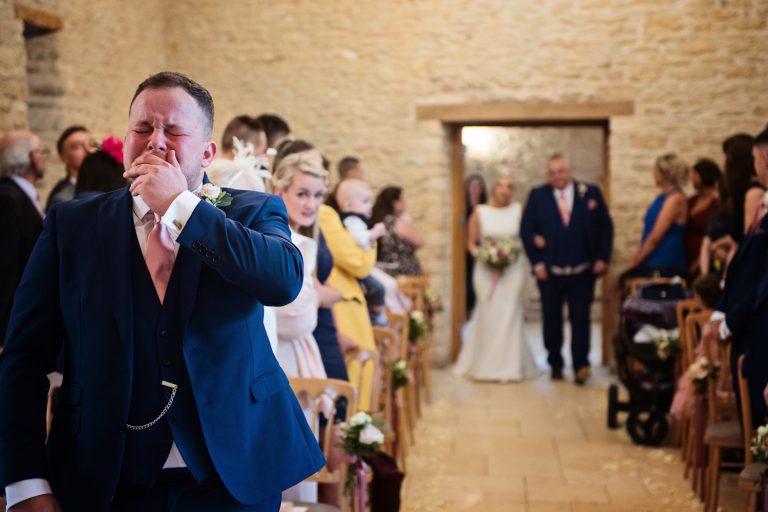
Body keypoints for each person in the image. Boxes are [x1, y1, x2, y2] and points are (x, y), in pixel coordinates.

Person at [0, 71, 323, 511]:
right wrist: (25, 480)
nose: (155, 141)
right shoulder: (70, 225)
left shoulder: (252, 211)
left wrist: (181, 207)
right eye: (142, 128)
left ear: (207, 151)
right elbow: (25, 355)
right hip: (105, 476)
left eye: (172, 130)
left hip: (230, 477)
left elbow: (282, 281)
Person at [520, 153, 613, 384]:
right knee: (551, 321)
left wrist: (602, 257)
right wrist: (537, 263)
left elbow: (606, 227)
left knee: (580, 318)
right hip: (550, 273)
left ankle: (581, 364)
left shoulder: (589, 193)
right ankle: (556, 363)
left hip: (582, 271)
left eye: (560, 171)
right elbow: (526, 230)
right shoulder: (538, 195)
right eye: (552, 173)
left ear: (569, 171)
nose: (556, 176)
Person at [454, 175, 539, 381]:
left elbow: (527, 237)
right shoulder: (479, 212)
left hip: (512, 270)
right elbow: (471, 243)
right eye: (500, 185)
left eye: (509, 186)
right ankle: (485, 366)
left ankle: (510, 367)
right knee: (488, 313)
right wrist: (486, 257)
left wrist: (511, 254)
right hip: (485, 271)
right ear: (493, 189)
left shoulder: (518, 210)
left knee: (510, 313)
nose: (505, 190)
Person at [0, 131, 46, 346]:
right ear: (29, 157)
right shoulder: (7, 198)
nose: (44, 157)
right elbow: (4, 266)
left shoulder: (21, 194)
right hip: (10, 323)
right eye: (40, 151)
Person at [335, 179, 388, 325]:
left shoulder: (356, 219)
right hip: (358, 268)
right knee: (378, 288)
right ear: (348, 205)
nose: (370, 205)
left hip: (362, 264)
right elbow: (361, 239)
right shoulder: (353, 220)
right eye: (365, 201)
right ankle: (376, 316)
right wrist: (375, 233)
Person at [627, 153, 689, 276]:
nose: (653, 174)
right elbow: (648, 232)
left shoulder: (675, 199)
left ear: (664, 173)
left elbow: (656, 237)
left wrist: (635, 263)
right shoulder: (662, 197)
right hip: (652, 258)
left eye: (655, 171)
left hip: (664, 260)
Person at [371, 186, 424, 277]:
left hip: (383, 272)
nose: (405, 203)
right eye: (402, 200)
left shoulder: (376, 219)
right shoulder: (396, 221)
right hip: (404, 274)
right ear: (394, 202)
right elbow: (419, 242)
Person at [46, 126, 97, 210]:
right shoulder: (63, 199)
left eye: (91, 143)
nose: (88, 150)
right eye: (77, 146)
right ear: (64, 157)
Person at [684, 159, 721, 276]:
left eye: (695, 175)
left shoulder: (717, 202)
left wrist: (699, 261)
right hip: (685, 255)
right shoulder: (692, 200)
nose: (692, 178)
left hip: (704, 256)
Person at [464, 174, 488, 315]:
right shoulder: (462, 211)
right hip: (466, 258)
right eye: (473, 187)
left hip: (481, 254)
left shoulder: (484, 211)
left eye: (478, 187)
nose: (475, 190)